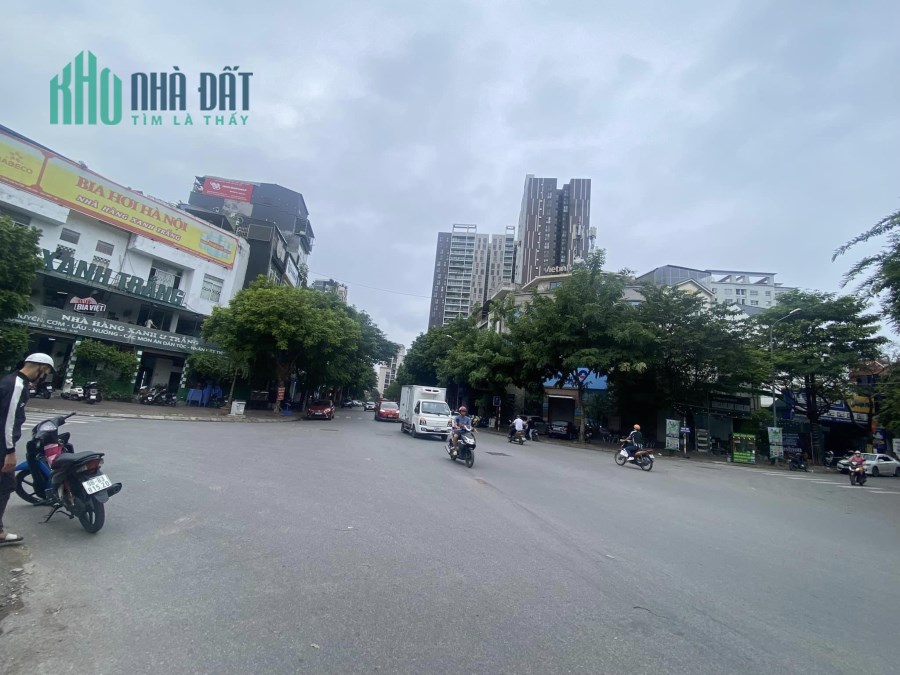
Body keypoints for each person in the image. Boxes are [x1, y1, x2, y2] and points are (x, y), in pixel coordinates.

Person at [1, 354, 56, 545]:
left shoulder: (13, 381)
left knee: (6, 484)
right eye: (45, 372)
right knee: (6, 484)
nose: (44, 377)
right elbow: (8, 421)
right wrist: (9, 451)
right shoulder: (16, 385)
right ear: (40, 367)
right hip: (2, 445)